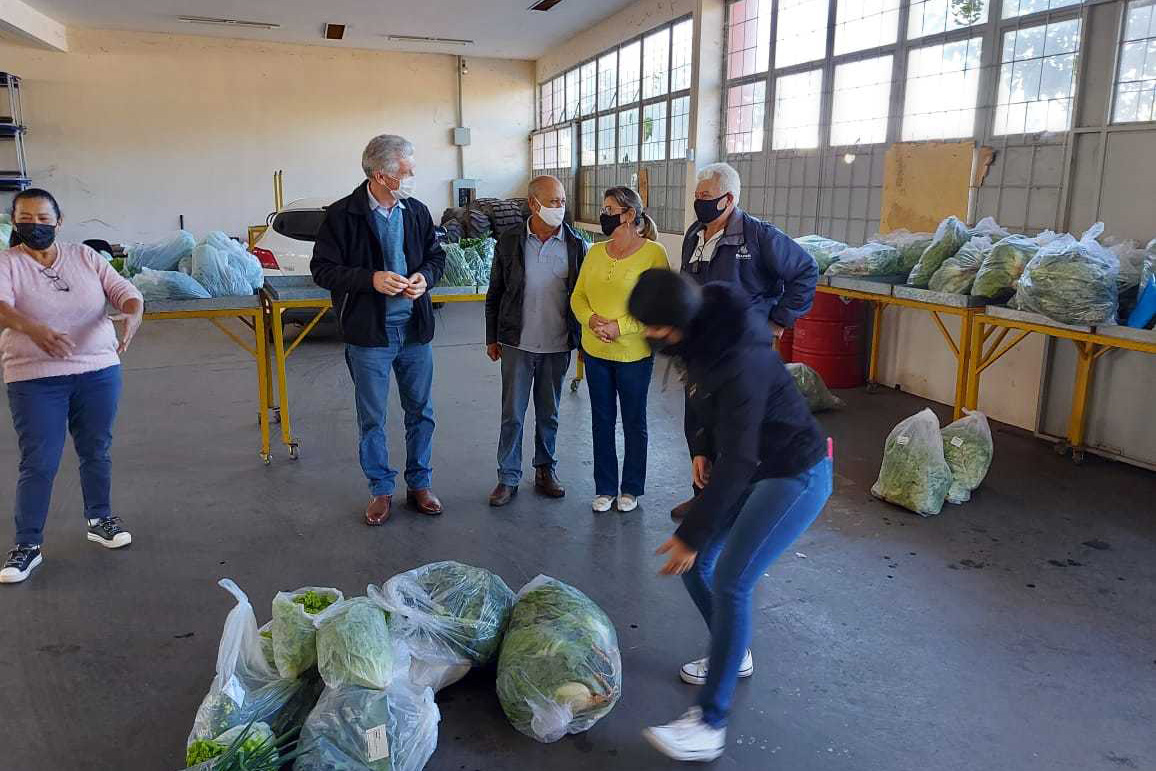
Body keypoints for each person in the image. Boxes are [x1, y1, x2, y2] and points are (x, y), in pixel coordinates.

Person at [628, 269, 832, 762]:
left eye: (652, 327)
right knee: (698, 567)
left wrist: (693, 532)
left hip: (794, 472)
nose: (648, 335)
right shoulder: (700, 334)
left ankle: (710, 723)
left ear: (674, 323)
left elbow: (739, 460)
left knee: (731, 580)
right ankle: (732, 652)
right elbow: (701, 398)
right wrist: (701, 446)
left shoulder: (741, 357)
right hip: (754, 465)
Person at [0, 188, 144, 584]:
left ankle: (100, 519)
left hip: (98, 371)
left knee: (96, 448)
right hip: (34, 376)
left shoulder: (84, 256)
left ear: (59, 222)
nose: (35, 226)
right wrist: (34, 329)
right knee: (39, 460)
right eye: (26, 219)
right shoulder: (8, 263)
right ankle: (27, 544)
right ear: (15, 222)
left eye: (43, 219)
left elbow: (123, 291)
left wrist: (133, 313)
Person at [671, 162, 819, 522]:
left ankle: (733, 505)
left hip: (742, 353)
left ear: (729, 199)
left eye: (706, 196)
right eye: (697, 196)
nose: (699, 202)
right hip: (701, 349)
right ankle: (703, 498)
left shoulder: (758, 237)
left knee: (734, 428)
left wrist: (778, 321)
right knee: (699, 421)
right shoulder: (695, 234)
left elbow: (805, 270)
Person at [311, 134, 446, 526]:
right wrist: (370, 279)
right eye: (407, 171)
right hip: (370, 335)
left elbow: (436, 257)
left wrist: (424, 278)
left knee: (421, 411)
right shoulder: (343, 215)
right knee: (372, 417)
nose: (413, 177)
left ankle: (419, 483)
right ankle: (380, 489)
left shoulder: (416, 211)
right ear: (382, 176)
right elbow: (323, 270)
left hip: (414, 331)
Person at [485, 175, 587, 506]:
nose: (561, 207)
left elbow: (584, 296)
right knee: (512, 414)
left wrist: (582, 342)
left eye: (562, 201)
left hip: (557, 344)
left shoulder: (575, 244)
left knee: (549, 413)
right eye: (554, 201)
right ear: (533, 204)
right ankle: (508, 477)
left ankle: (545, 470)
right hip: (517, 342)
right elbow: (496, 292)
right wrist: (492, 337)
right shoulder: (510, 241)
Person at [570, 187, 669, 514]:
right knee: (601, 420)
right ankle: (605, 487)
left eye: (609, 209)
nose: (604, 214)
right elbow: (578, 296)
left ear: (629, 215)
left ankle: (631, 488)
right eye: (604, 208)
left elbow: (658, 304)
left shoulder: (653, 253)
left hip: (633, 356)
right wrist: (591, 320)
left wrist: (620, 327)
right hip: (595, 351)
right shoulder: (595, 252)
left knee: (633, 421)